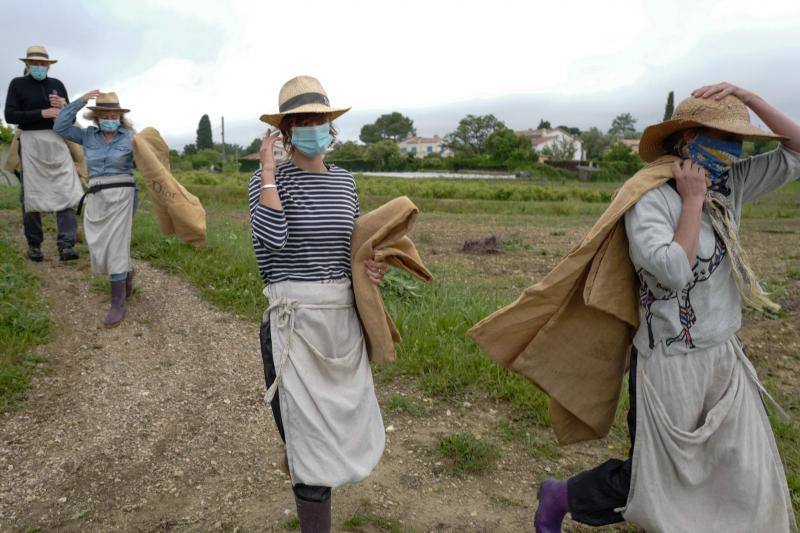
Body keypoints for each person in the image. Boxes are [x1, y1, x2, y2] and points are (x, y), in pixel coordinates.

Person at [534, 83, 800, 532]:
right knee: (657, 474)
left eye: (737, 137)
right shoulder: (651, 197)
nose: (733, 147)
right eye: (721, 135)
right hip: (669, 360)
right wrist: (692, 201)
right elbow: (672, 273)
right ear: (688, 138)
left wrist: (750, 98)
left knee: (741, 466)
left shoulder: (729, 182)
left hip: (722, 354)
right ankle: (562, 496)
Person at [250, 75, 388, 532]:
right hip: (294, 324)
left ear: (332, 127)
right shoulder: (266, 182)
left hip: (341, 324)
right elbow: (271, 242)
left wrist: (369, 271)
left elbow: (348, 251)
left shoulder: (346, 183)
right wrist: (269, 173)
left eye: (320, 119)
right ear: (284, 132)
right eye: (302, 121)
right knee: (306, 442)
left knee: (339, 428)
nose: (313, 127)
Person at [54, 91, 137, 328]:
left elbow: (152, 162)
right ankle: (127, 272)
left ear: (119, 117)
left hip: (123, 194)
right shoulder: (88, 136)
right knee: (97, 244)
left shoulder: (130, 137)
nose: (110, 118)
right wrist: (79, 102)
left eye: (114, 115)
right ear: (97, 117)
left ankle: (117, 303)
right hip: (97, 194)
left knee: (117, 245)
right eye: (105, 115)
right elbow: (60, 126)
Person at [4, 45, 82, 262]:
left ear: (48, 65)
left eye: (43, 64)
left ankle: (66, 245)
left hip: (57, 141)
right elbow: (10, 115)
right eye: (35, 63)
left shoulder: (57, 85)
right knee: (32, 195)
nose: (39, 67)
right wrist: (42, 112)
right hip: (30, 142)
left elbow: (72, 119)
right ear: (27, 65)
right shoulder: (17, 84)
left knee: (66, 191)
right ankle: (35, 245)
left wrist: (65, 108)